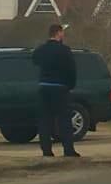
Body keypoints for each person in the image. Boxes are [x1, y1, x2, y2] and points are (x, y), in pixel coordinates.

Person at [32, 24, 80, 158]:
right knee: (64, 120)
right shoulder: (64, 50)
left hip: (44, 87)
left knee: (45, 120)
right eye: (62, 32)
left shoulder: (41, 50)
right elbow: (72, 69)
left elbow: (34, 60)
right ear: (58, 33)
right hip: (60, 87)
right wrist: (70, 85)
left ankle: (46, 150)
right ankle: (68, 150)